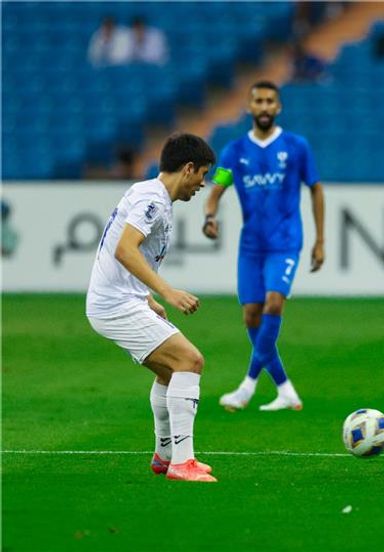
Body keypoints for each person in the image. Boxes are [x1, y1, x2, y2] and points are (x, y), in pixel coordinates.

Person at [86, 133, 217, 483]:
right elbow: (125, 250)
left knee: (170, 371)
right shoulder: (153, 201)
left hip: (119, 299)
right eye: (203, 174)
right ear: (188, 168)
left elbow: (123, 249)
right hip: (114, 304)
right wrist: (168, 292)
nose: (202, 183)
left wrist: (147, 298)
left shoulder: (147, 193)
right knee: (190, 361)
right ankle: (182, 463)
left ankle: (165, 456)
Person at [203, 81, 325, 412]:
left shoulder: (296, 147)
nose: (265, 106)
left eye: (271, 101)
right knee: (251, 314)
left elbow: (315, 188)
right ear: (250, 106)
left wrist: (320, 240)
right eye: (259, 101)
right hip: (251, 246)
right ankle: (286, 389)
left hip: (285, 241)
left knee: (273, 304)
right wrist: (210, 216)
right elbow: (217, 189)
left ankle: (248, 385)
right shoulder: (234, 153)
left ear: (279, 107)